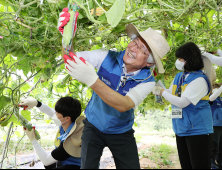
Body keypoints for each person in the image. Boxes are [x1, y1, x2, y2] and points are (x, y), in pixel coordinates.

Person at [58, 10, 170, 169]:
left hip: (121, 132)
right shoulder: (105, 56)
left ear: (149, 63)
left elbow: (124, 104)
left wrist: (93, 80)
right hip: (93, 126)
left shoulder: (147, 81)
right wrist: (66, 36)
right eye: (135, 42)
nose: (134, 48)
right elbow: (70, 59)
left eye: (143, 50)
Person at [156, 42, 215, 169]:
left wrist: (162, 93)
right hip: (181, 128)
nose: (178, 61)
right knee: (186, 165)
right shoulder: (180, 76)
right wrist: (159, 89)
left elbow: (182, 102)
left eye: (180, 59)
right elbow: (170, 92)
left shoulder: (199, 80)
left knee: (199, 166)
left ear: (189, 59)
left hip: (198, 130)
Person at [19, 96, 85, 169]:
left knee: (48, 162)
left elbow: (46, 160)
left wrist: (33, 140)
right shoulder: (68, 123)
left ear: (67, 118)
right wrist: (36, 103)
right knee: (49, 165)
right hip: (65, 162)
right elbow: (50, 111)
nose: (55, 114)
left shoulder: (71, 140)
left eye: (57, 112)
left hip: (77, 167)